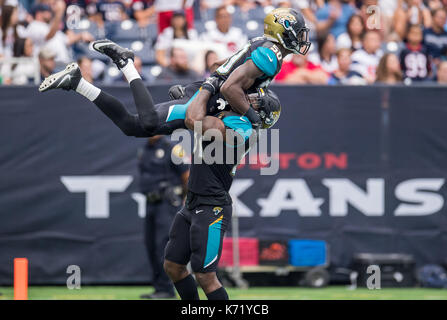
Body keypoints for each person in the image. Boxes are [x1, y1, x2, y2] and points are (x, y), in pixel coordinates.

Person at [39, 6, 306, 299]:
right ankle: (81, 82)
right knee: (134, 126)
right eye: (255, 93)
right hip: (194, 197)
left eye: (258, 99)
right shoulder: (258, 71)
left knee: (206, 276)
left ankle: (124, 66)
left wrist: (204, 88)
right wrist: (207, 85)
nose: (254, 95)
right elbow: (227, 69)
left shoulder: (240, 129)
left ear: (258, 113)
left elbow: (198, 116)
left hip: (211, 205)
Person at [138, 135, 189, 299]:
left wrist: (187, 201)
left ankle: (167, 289)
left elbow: (186, 176)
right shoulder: (145, 149)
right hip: (151, 202)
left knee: (163, 246)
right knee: (150, 244)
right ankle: (159, 287)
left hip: (168, 203)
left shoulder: (172, 147)